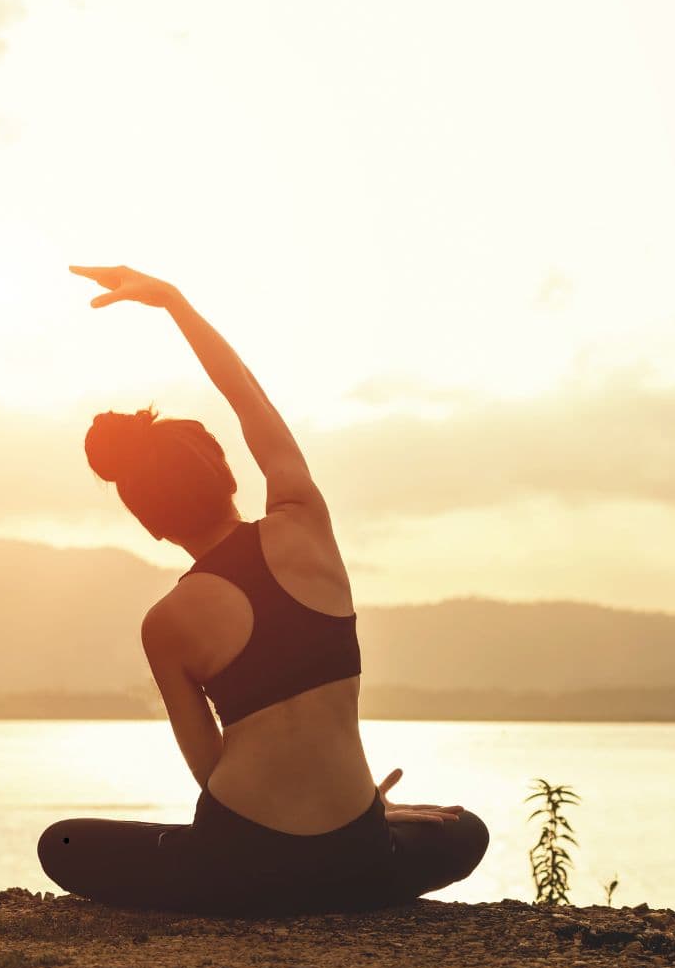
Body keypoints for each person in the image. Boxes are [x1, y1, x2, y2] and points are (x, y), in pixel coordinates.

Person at [37, 264, 489, 916]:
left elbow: (211, 771)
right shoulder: (305, 523)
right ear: (226, 473)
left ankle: (261, 879)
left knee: (67, 843)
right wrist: (173, 302)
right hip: (357, 860)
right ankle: (361, 844)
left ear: (152, 525)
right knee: (463, 829)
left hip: (240, 871)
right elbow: (248, 395)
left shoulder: (166, 625)